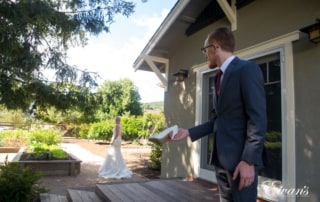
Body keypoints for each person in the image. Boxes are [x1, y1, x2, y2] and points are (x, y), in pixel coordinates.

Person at [170, 27, 267, 202]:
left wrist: (248, 161)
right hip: (221, 161)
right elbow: (219, 120)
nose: (205, 54)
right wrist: (189, 132)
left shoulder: (247, 69)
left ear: (215, 47)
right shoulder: (218, 77)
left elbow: (258, 119)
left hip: (241, 163)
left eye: (205, 49)